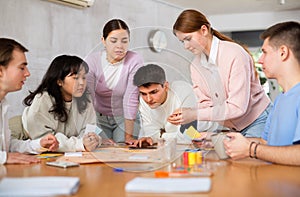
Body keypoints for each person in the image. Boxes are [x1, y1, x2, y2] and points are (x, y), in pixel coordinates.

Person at [168, 9, 271, 138]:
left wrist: (194, 114)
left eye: (188, 39)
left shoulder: (234, 54)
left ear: (204, 30)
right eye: (182, 41)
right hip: (233, 127)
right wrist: (188, 116)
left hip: (258, 120)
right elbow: (206, 104)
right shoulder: (195, 66)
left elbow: (237, 108)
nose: (186, 46)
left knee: (247, 157)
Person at [224, 21, 300, 165]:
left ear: (283, 52)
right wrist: (227, 141)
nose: (259, 60)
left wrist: (251, 149)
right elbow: (266, 142)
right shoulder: (280, 100)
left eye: (265, 52)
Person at [22, 55, 101, 152]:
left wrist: (92, 141)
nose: (81, 83)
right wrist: (80, 144)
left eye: (84, 77)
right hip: (24, 136)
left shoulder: (85, 98)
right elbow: (46, 141)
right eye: (75, 78)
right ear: (59, 81)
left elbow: (91, 129)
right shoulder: (43, 99)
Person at [131, 64, 219, 147]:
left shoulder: (183, 91)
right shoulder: (143, 101)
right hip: (177, 142)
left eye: (154, 92)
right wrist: (150, 138)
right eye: (143, 93)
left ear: (165, 86)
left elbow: (188, 135)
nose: (148, 99)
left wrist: (162, 135)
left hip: (206, 134)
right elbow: (151, 134)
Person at [85, 19, 143, 144]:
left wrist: (128, 137)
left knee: (123, 148)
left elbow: (131, 98)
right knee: (100, 149)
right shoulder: (92, 61)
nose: (119, 46)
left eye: (124, 41)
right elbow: (87, 99)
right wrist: (99, 136)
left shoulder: (135, 60)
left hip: (125, 118)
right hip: (97, 118)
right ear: (103, 41)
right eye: (113, 41)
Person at [0, 38, 54, 164]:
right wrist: (5, 158)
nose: (28, 73)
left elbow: (5, 146)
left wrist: (38, 144)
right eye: (22, 68)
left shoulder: (3, 104)